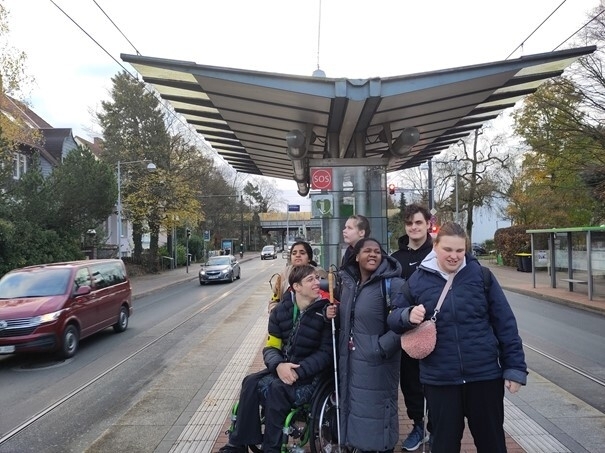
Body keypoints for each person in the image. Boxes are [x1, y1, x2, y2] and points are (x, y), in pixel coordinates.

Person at [387, 222, 527, 453]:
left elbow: (505, 324)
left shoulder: (481, 276)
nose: (454, 256)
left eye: (460, 251)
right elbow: (393, 319)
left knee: (492, 443)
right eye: (448, 250)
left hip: (484, 376)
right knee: (443, 445)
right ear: (436, 247)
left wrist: (514, 368)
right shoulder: (418, 280)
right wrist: (406, 315)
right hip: (440, 379)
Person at [219, 265, 333, 453]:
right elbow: (271, 346)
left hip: (310, 374)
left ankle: (271, 448)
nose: (317, 283)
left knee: (277, 389)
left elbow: (326, 354)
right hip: (283, 367)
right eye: (310, 280)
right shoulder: (281, 311)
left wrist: (297, 370)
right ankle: (238, 444)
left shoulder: (325, 314)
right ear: (296, 286)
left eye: (317, 278)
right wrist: (279, 365)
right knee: (250, 381)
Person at [329, 237, 405, 453]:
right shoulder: (348, 284)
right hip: (351, 360)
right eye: (367, 251)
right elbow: (351, 318)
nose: (373, 254)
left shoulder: (393, 284)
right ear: (356, 256)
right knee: (354, 408)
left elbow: (403, 324)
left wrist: (380, 347)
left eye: (377, 252)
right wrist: (332, 315)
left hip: (377, 363)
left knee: (376, 413)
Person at [390, 204, 434, 451]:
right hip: (406, 331)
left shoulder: (437, 254)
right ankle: (419, 425)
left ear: (428, 223)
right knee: (409, 382)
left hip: (436, 330)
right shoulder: (396, 259)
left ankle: (436, 427)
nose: (414, 228)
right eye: (409, 224)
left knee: (436, 382)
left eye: (418, 223)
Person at [268, 240, 327, 312]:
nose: (298, 255)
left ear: (309, 258)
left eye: (302, 253)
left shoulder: (319, 273)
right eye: (294, 253)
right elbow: (275, 299)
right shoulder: (283, 274)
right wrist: (274, 312)